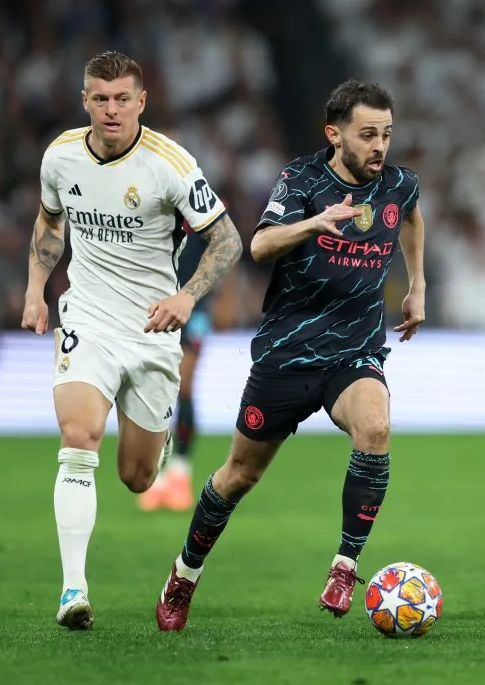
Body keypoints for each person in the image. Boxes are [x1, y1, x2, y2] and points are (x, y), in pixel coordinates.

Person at [154, 79, 426, 632]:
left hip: (354, 351)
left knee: (374, 429)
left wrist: (417, 283)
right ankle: (184, 573)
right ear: (335, 134)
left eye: (387, 135)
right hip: (286, 352)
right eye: (368, 134)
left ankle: (345, 568)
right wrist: (314, 223)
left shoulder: (398, 184)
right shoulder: (302, 179)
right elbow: (258, 245)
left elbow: (412, 216)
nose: (380, 146)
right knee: (237, 476)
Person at [21, 51, 242, 630]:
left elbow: (226, 239)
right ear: (85, 100)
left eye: (123, 99)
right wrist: (35, 290)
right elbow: (49, 224)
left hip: (152, 331)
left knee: (137, 477)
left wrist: (188, 296)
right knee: (78, 437)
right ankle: (73, 590)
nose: (111, 109)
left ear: (141, 102)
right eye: (100, 98)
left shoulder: (170, 164)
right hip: (86, 318)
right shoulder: (61, 157)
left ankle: (156, 439)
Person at [138, 227, 214, 512]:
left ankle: (180, 473)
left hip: (196, 308)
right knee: (158, 389)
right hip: (157, 305)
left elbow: (223, 250)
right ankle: (157, 477)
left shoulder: (201, 209)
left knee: (184, 387)